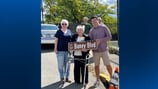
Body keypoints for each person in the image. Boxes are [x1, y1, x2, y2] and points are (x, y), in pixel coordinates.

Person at [89, 16, 113, 87]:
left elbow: (109, 37)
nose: (94, 22)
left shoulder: (104, 27)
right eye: (92, 22)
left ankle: (111, 78)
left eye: (95, 21)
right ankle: (97, 80)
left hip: (104, 50)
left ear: (98, 21)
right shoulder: (91, 30)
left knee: (108, 65)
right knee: (96, 66)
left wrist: (100, 40)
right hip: (95, 51)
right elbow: (90, 40)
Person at [54, 19, 72, 84]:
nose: (64, 25)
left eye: (65, 24)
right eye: (63, 24)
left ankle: (67, 78)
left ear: (67, 25)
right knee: (60, 66)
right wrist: (55, 48)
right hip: (60, 51)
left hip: (68, 51)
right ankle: (62, 78)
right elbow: (56, 40)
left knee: (67, 65)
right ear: (61, 25)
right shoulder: (58, 32)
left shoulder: (69, 31)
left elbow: (71, 41)